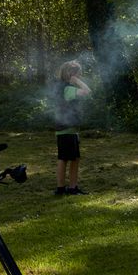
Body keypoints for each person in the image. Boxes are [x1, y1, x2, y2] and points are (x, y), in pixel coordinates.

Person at [54, 60, 91, 195]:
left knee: (68, 158)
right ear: (71, 74)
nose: (80, 76)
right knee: (68, 159)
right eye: (78, 74)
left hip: (66, 129)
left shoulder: (61, 88)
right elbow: (87, 91)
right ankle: (69, 188)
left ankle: (65, 188)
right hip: (67, 129)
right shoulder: (68, 89)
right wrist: (77, 81)